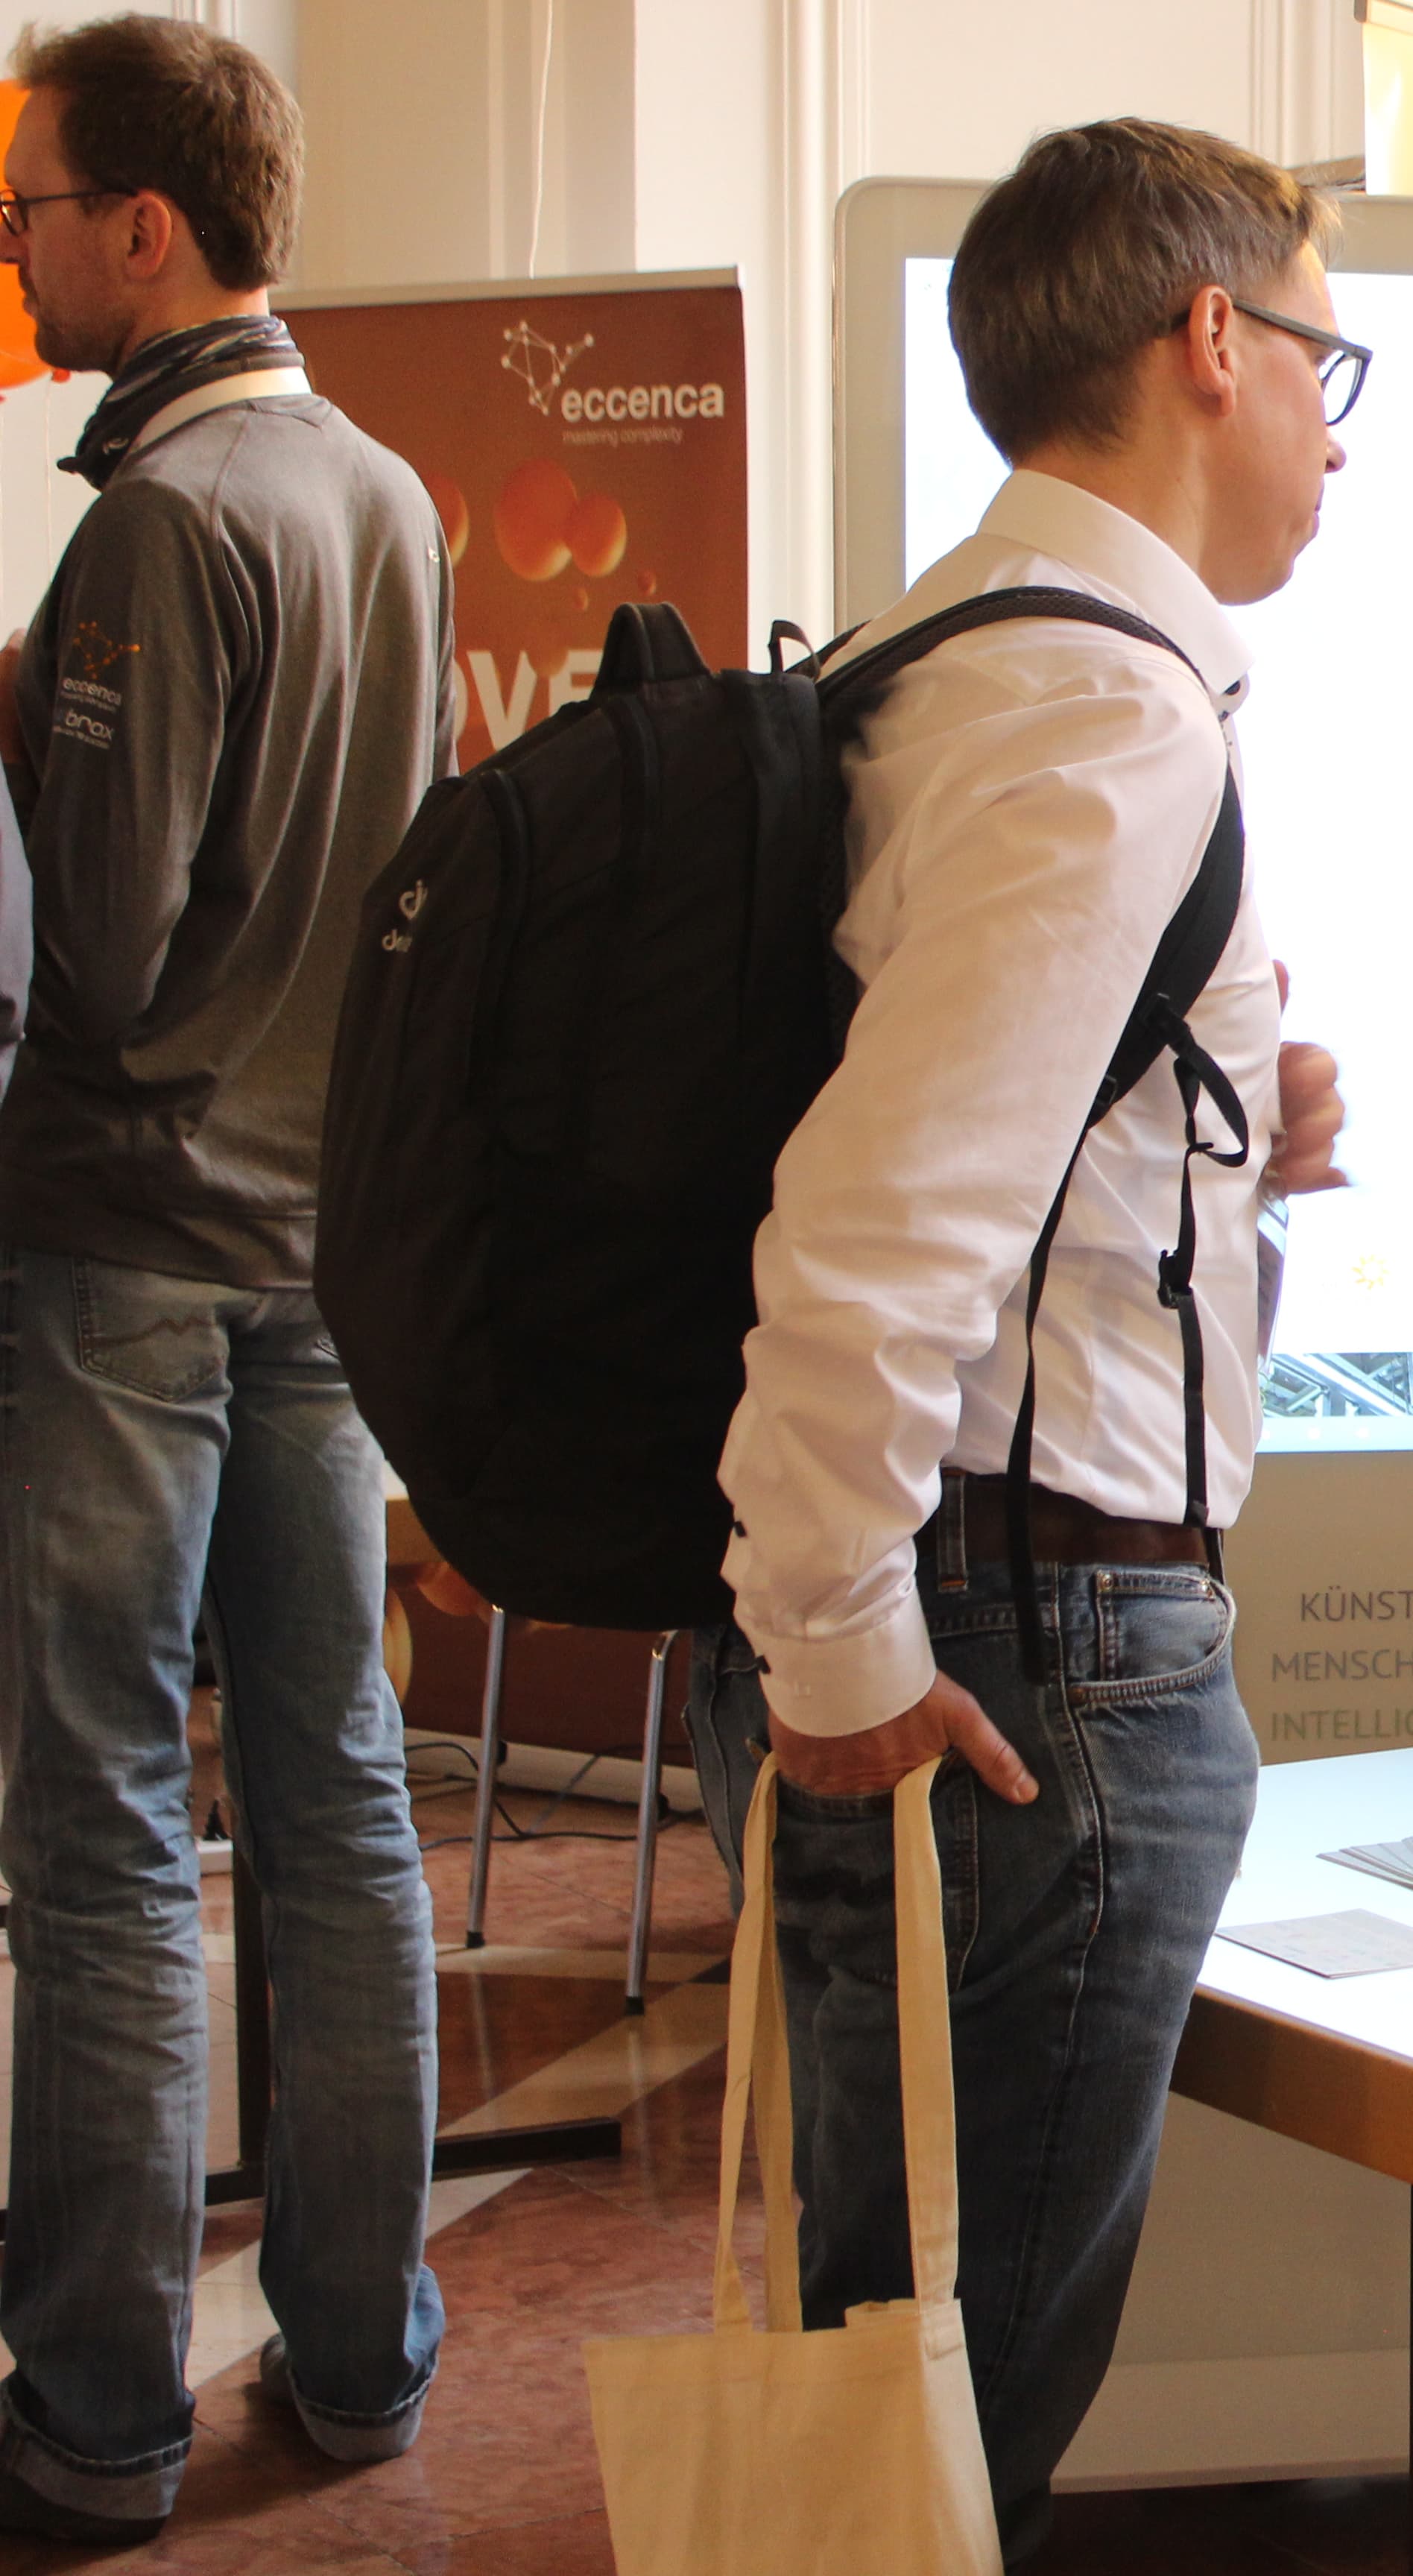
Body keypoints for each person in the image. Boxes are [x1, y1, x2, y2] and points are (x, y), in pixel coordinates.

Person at [683, 118, 1349, 2564]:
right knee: (953, 2417)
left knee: (902, 2364)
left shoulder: (946, 651)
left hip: (987, 1599)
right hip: (1035, 1640)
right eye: (1316, 356)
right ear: (1208, 345)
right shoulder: (1103, 713)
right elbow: (880, 1227)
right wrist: (845, 1640)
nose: (1329, 422)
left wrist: (1211, 1122)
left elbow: (944, 1117)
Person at [0, 16, 455, 2542]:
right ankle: (372, 2359)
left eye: (41, 204)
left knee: (96, 1836)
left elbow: (113, 938)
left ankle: (90, 2414)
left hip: (129, 1251)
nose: (25, 247)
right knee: (341, 1807)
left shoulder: (157, 525)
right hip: (326, 1248)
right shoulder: (386, 494)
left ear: (148, 229)